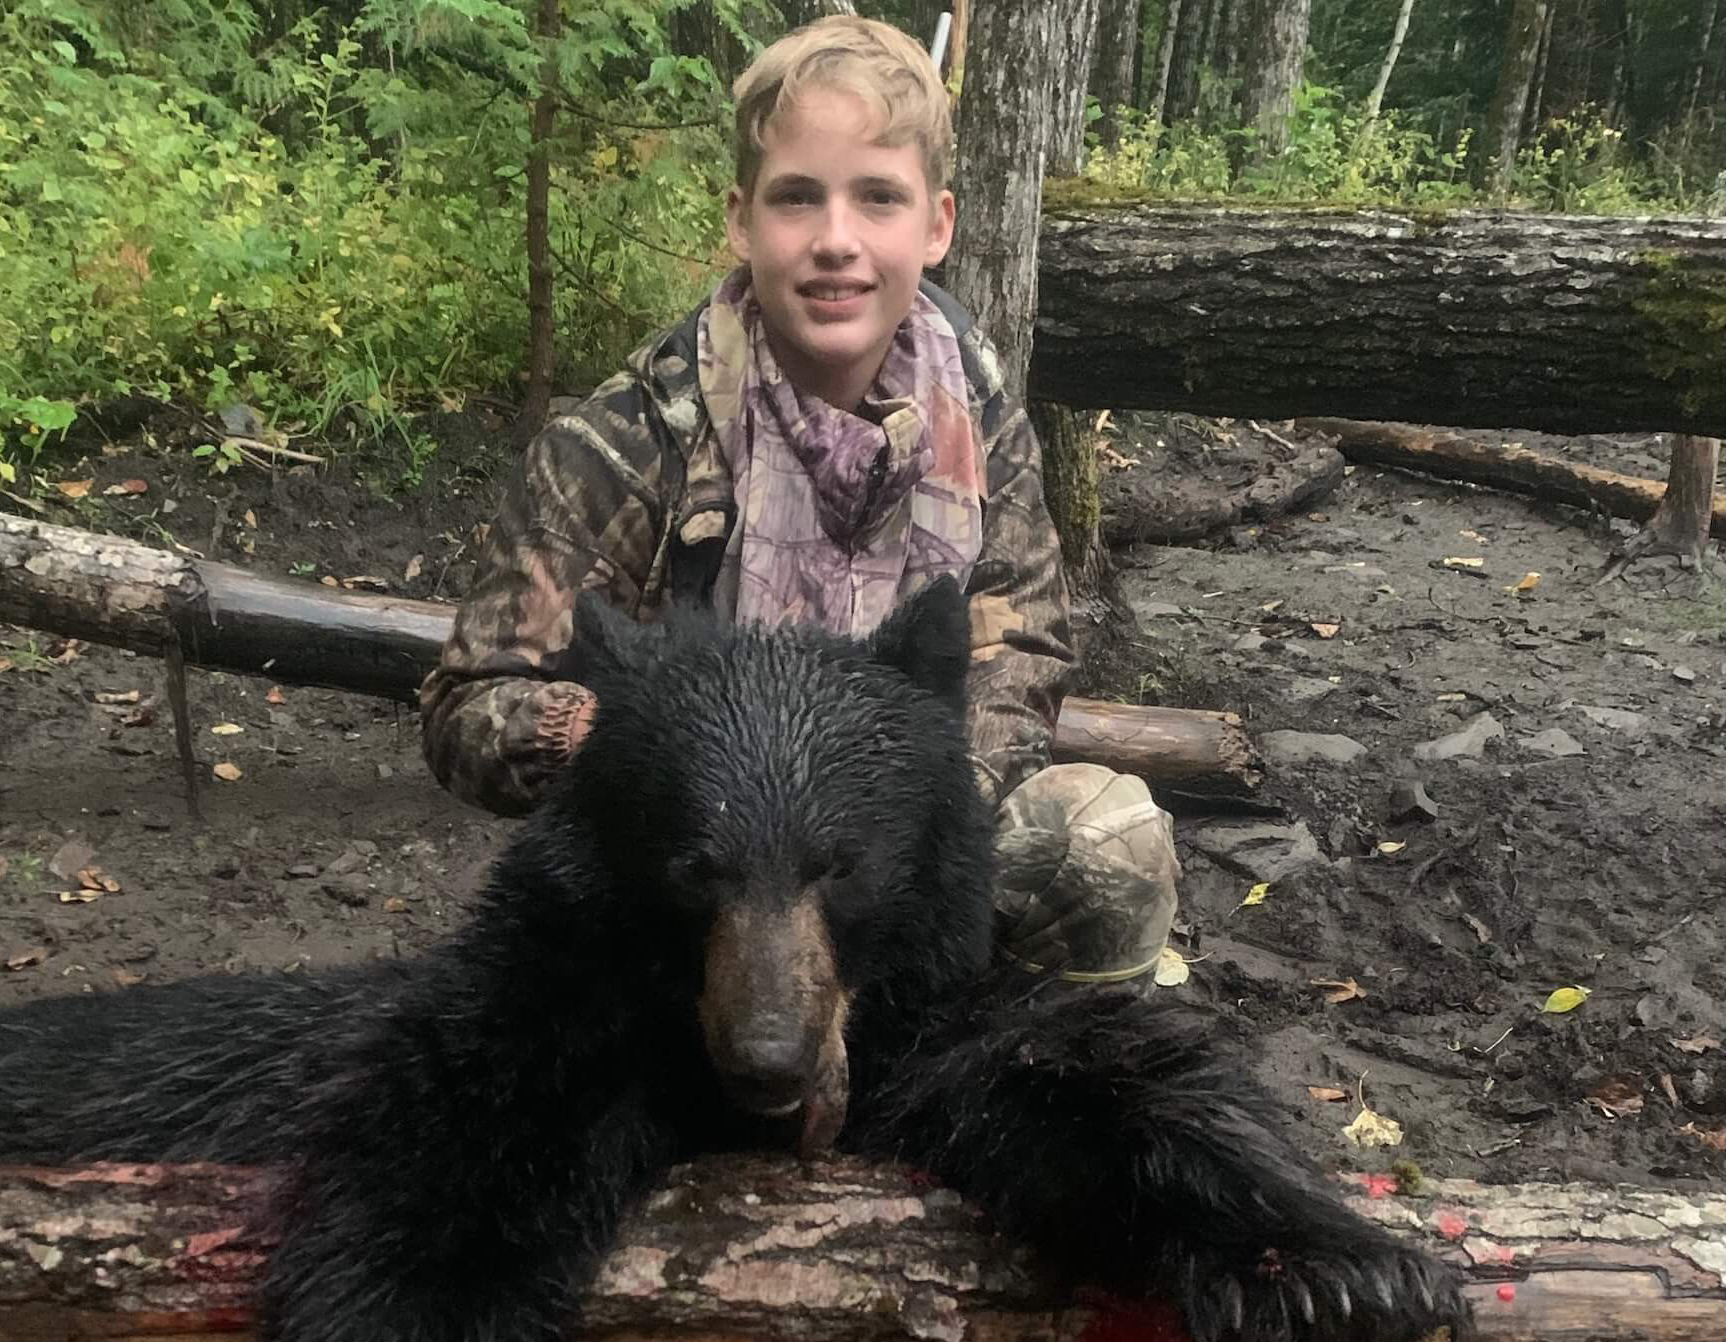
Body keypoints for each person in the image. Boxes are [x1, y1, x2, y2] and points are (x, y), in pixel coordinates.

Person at [418, 15, 1180, 983]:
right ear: (739, 219)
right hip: (695, 893)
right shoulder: (625, 441)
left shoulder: (979, 419)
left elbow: (1018, 654)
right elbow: (465, 703)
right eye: (796, 200)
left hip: (875, 862)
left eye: (877, 199)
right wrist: (603, 738)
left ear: (937, 224)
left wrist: (896, 806)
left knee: (1111, 841)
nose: (836, 241)